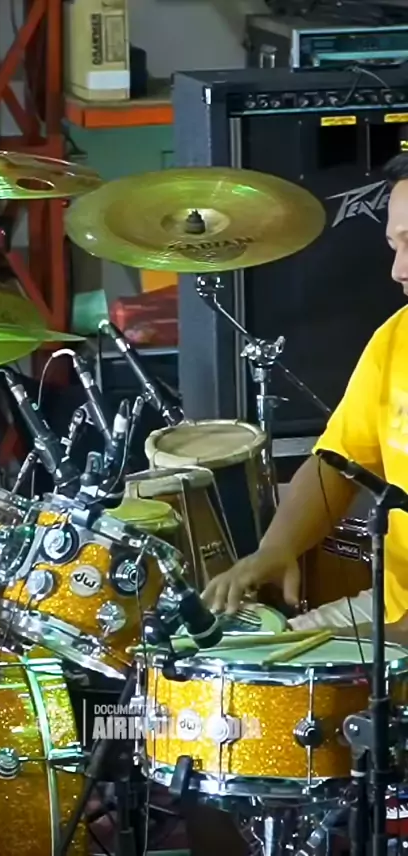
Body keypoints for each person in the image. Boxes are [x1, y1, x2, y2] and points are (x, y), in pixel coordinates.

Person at [202, 153, 408, 645]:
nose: (398, 270)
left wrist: (386, 643)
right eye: (394, 246)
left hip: (398, 630)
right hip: (392, 608)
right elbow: (338, 462)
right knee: (229, 660)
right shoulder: (396, 338)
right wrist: (276, 548)